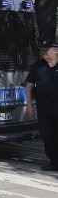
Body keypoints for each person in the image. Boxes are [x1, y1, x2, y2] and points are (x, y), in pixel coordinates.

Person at [25, 40, 58, 171]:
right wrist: (29, 105)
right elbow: (29, 86)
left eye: (46, 49)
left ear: (56, 50)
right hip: (44, 106)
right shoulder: (38, 66)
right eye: (42, 49)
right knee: (47, 134)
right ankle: (54, 161)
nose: (43, 51)